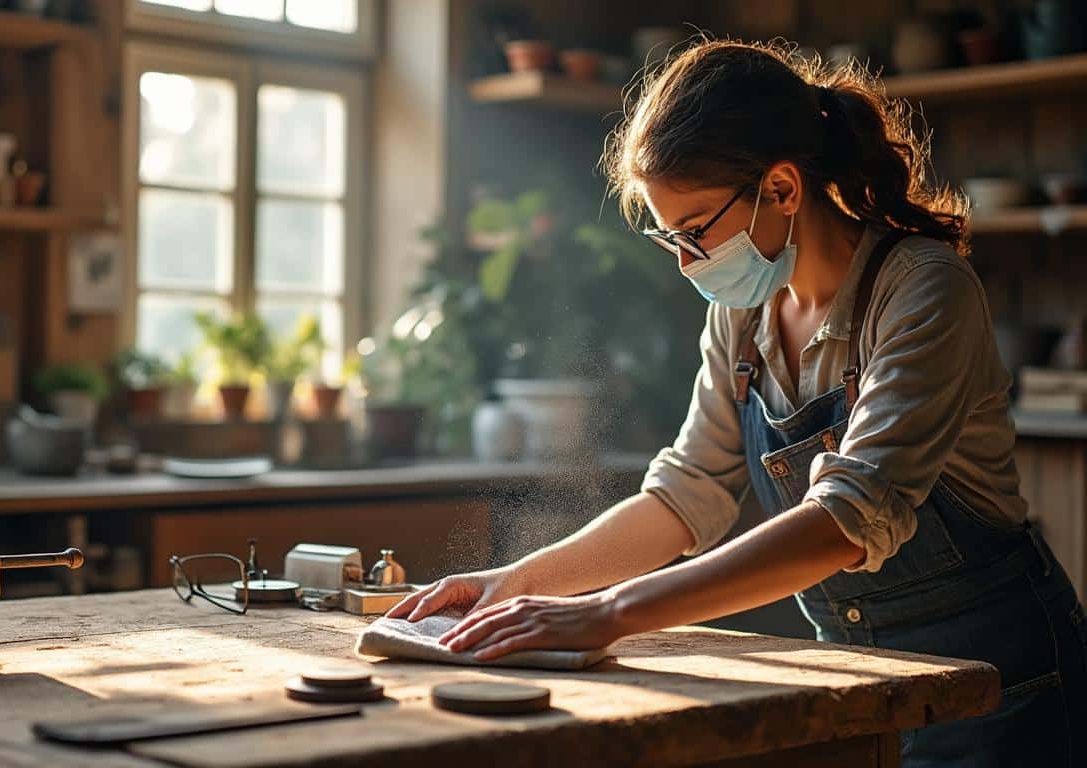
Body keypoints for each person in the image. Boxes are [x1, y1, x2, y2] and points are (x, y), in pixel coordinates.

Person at [387, 40, 1087, 766]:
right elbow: (684, 496)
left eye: (695, 231)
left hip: (1004, 687)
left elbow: (845, 521)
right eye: (670, 239)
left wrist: (607, 613)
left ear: (782, 189)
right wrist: (511, 584)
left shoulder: (923, 291)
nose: (687, 262)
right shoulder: (743, 316)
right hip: (860, 683)